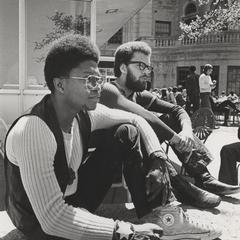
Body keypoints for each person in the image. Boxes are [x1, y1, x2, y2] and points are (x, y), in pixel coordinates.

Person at [3, 34, 219, 240]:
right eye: (89, 80)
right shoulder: (33, 129)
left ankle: (161, 217)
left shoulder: (86, 115)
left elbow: (137, 120)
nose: (98, 86)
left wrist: (158, 158)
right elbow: (53, 219)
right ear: (59, 84)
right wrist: (128, 231)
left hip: (76, 201)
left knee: (127, 132)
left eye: (99, 79)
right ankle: (148, 227)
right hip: (38, 226)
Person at [99, 41, 240, 207]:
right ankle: (182, 188)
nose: (147, 72)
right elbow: (141, 115)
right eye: (141, 66)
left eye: (148, 67)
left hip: (144, 152)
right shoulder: (108, 90)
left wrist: (186, 131)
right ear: (123, 68)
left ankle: (203, 177)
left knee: (169, 118)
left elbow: (177, 109)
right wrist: (175, 139)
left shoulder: (138, 93)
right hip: (115, 159)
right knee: (144, 124)